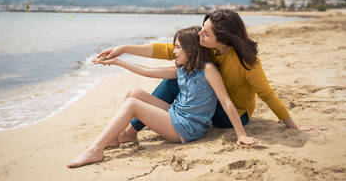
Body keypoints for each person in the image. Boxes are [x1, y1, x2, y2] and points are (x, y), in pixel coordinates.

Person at [96, 9, 320, 146]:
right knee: (183, 69)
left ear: (223, 38)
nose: (200, 35)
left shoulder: (247, 63)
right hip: (205, 105)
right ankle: (133, 130)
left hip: (230, 115)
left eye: (206, 33)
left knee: (177, 77)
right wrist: (123, 48)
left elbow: (267, 95)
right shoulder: (208, 48)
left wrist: (293, 126)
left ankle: (141, 126)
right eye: (202, 29)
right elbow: (169, 49)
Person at [67, 26, 256, 168]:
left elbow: (225, 101)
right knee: (134, 93)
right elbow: (148, 72)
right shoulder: (183, 68)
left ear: (190, 50)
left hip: (188, 128)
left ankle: (95, 151)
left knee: (133, 104)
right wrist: (118, 62)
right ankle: (119, 137)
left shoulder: (208, 70)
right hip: (176, 114)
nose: (173, 52)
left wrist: (241, 135)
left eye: (177, 48)